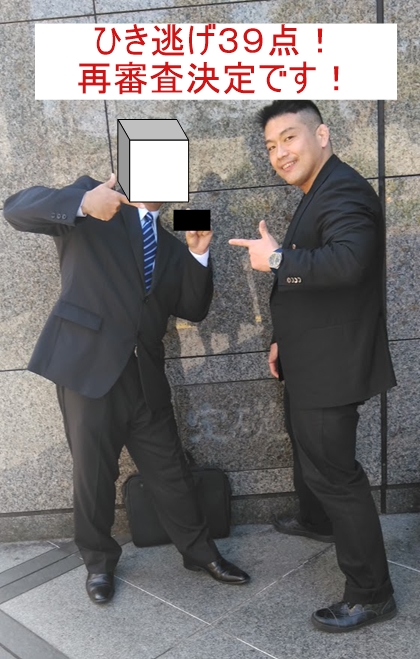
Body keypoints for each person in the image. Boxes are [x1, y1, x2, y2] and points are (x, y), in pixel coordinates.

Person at [4, 172, 250, 604]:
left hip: (145, 377)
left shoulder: (171, 244)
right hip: (89, 370)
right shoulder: (92, 202)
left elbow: (193, 308)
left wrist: (198, 252)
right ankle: (99, 564)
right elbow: (16, 210)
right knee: (93, 476)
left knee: (171, 470)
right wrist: (83, 203)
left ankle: (199, 553)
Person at [229, 100, 396, 632]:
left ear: (321, 135)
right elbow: (317, 284)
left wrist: (277, 259)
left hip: (332, 366)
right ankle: (318, 519)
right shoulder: (318, 190)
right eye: (270, 146)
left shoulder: (344, 190)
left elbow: (348, 263)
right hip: (309, 356)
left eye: (289, 138)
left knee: (336, 475)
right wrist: (283, 339)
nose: (280, 153)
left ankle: (372, 594)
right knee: (313, 457)